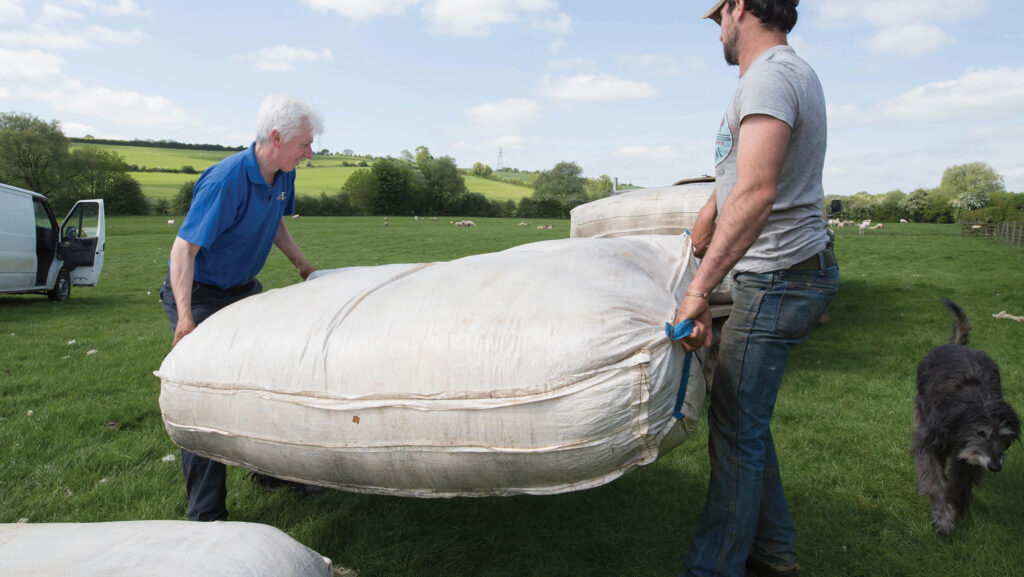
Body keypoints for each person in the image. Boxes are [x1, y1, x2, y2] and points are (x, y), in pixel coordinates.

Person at [672, 1, 838, 576]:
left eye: (718, 16)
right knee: (743, 422)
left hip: (780, 277)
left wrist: (699, 291)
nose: (717, 30)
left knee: (736, 430)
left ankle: (714, 568)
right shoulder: (775, 77)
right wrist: (709, 206)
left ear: (739, 7)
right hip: (780, 275)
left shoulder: (771, 76)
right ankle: (773, 554)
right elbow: (744, 173)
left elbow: (761, 190)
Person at [159, 93, 322, 521]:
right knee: (204, 395)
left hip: (242, 290)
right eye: (305, 143)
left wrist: (304, 267)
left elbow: (276, 220)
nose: (310, 151)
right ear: (276, 137)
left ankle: (271, 473)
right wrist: (187, 319)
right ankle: (206, 515)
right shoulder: (224, 181)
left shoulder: (282, 175)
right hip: (202, 295)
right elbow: (182, 251)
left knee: (263, 381)